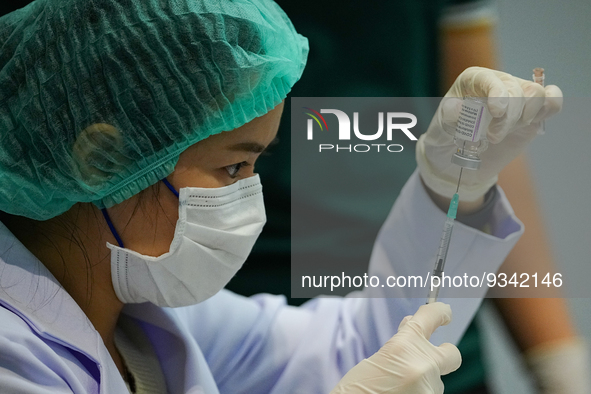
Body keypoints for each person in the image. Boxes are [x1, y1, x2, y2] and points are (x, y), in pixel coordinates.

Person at [0, 0, 561, 392]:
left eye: (257, 164)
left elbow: (362, 350)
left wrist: (449, 189)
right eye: (233, 165)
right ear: (102, 160)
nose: (251, 199)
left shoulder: (141, 314)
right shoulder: (14, 357)